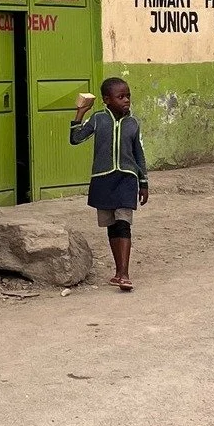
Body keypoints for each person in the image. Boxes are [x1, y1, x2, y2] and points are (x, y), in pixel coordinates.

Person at [71, 77, 149, 291]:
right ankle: (118, 272)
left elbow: (138, 154)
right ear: (106, 99)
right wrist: (80, 113)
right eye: (120, 97)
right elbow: (75, 139)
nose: (126, 101)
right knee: (112, 225)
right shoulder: (98, 119)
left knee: (124, 222)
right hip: (103, 178)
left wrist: (143, 182)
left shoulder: (133, 123)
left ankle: (124, 273)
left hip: (127, 178)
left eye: (128, 96)